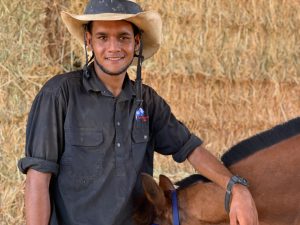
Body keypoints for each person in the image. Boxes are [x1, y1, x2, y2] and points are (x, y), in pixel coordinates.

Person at [18, 0, 259, 225]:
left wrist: (236, 188)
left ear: (136, 42)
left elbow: (191, 149)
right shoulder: (60, 94)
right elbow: (38, 180)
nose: (114, 47)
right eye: (103, 37)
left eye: (123, 37)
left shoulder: (148, 101)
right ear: (89, 41)